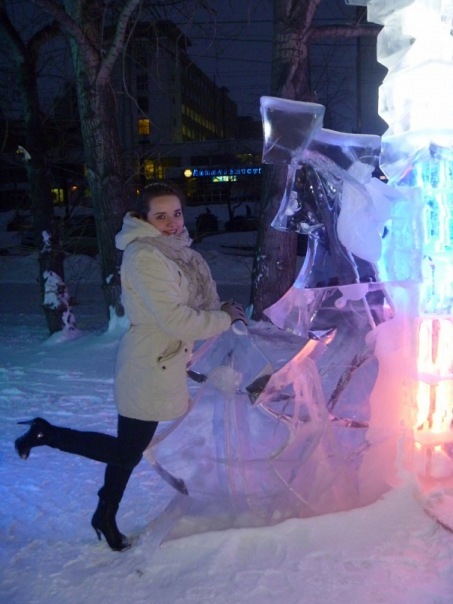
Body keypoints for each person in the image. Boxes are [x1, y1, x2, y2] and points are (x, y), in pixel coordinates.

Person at [14, 180, 246, 552]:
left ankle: (104, 515)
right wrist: (222, 318)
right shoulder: (145, 256)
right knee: (127, 452)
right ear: (144, 218)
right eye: (161, 216)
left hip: (162, 361)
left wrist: (219, 311)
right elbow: (176, 319)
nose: (172, 222)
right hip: (149, 366)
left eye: (176, 213)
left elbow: (185, 306)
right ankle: (47, 434)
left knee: (127, 448)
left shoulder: (174, 253)